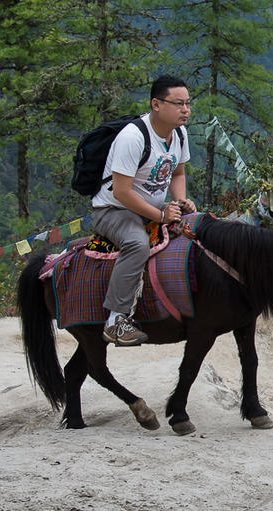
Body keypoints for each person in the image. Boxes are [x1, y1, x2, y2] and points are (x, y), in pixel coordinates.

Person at [92, 74, 196, 346]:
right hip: (114, 209)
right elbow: (122, 191)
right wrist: (161, 215)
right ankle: (116, 319)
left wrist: (181, 201)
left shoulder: (179, 135)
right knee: (137, 244)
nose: (185, 110)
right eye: (178, 103)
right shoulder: (133, 137)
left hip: (152, 205)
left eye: (188, 103)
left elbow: (178, 173)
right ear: (156, 104)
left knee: (196, 227)